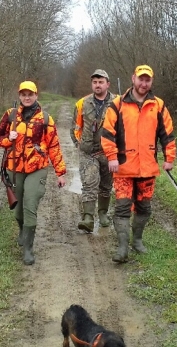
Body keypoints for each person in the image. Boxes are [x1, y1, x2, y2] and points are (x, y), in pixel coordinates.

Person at [101, 65, 176, 263]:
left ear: (151, 82)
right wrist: (112, 157)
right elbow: (107, 134)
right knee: (123, 208)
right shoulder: (117, 104)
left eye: (147, 80)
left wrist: (169, 159)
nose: (143, 84)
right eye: (140, 79)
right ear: (133, 78)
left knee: (144, 207)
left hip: (148, 167)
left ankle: (138, 240)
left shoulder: (158, 105)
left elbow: (167, 134)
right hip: (123, 168)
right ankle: (123, 247)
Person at [0, 81, 67, 265]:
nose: (27, 97)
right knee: (18, 211)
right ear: (19, 96)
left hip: (37, 168)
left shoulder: (45, 119)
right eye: (23, 94)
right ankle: (22, 230)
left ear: (36, 95)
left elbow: (54, 146)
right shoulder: (10, 116)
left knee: (30, 205)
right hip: (14, 168)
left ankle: (28, 248)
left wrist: (60, 172)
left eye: (30, 94)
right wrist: (6, 140)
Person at [70, 69, 116, 233]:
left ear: (107, 84)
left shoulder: (118, 103)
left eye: (101, 82)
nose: (98, 85)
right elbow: (76, 127)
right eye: (95, 82)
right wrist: (78, 144)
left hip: (108, 152)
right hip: (88, 152)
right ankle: (88, 218)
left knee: (106, 185)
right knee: (89, 183)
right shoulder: (82, 103)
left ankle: (103, 214)